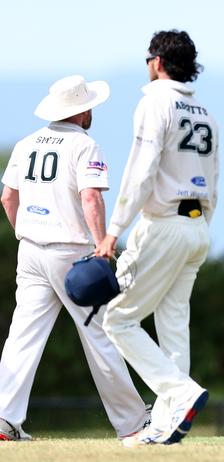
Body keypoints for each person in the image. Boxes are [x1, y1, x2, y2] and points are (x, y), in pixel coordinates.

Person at [0, 75, 149, 441]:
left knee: (22, 338)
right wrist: (102, 244)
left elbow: (7, 198)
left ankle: (4, 418)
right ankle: (132, 423)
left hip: (30, 249)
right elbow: (91, 198)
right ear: (81, 110)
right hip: (71, 252)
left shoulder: (26, 143)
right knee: (101, 336)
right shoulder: (85, 145)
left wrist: (25, 232)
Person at [95, 30, 218, 447]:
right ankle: (167, 424)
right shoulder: (204, 110)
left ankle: (181, 394)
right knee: (172, 326)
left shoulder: (154, 101)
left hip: (162, 223)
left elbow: (141, 169)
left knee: (117, 319)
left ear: (158, 62)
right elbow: (214, 176)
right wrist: (202, 225)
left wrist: (114, 230)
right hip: (197, 225)